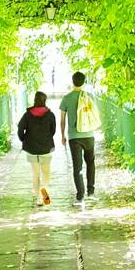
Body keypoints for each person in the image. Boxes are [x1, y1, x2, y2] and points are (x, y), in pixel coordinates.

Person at [60, 71, 96, 204]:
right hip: (89, 135)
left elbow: (62, 119)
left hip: (74, 137)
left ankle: (80, 195)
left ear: (72, 81)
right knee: (90, 163)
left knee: (77, 166)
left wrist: (62, 135)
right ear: (84, 82)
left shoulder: (67, 98)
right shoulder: (89, 96)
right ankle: (91, 191)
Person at [17, 90, 56, 207]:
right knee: (46, 173)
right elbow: (53, 131)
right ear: (45, 101)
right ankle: (44, 192)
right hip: (46, 148)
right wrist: (47, 137)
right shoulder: (50, 114)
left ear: (34, 100)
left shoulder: (27, 114)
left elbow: (20, 128)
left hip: (31, 148)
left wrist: (23, 139)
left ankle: (38, 198)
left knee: (35, 173)